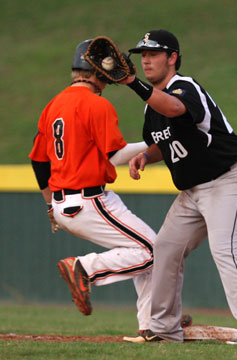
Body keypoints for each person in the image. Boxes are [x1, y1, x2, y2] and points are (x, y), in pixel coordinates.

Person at [122, 29, 237, 345]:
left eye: (153, 53)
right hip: (193, 190)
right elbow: (162, 142)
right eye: (142, 55)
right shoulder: (152, 107)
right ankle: (164, 329)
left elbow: (177, 110)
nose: (146, 60)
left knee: (226, 251)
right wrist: (144, 156)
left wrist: (131, 83)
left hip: (229, 178)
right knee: (166, 248)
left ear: (172, 57)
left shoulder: (184, 87)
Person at [28, 38, 157, 333]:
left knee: (147, 248)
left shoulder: (53, 105)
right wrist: (154, 143)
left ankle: (154, 322)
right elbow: (118, 156)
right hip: (88, 200)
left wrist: (50, 205)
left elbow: (39, 162)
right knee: (152, 251)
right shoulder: (96, 104)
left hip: (67, 202)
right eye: (107, 65)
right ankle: (83, 268)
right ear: (97, 70)